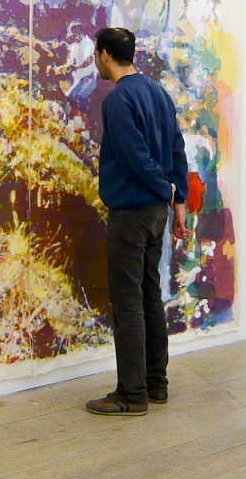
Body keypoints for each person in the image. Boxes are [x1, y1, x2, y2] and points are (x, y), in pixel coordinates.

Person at [86, 27, 191, 417]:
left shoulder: (117, 100)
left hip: (132, 212)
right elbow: (176, 147)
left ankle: (131, 394)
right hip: (157, 213)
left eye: (96, 55)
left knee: (128, 302)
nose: (96, 61)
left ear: (105, 54)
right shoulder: (158, 92)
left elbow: (135, 158)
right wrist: (177, 199)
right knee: (149, 295)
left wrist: (164, 189)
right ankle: (156, 384)